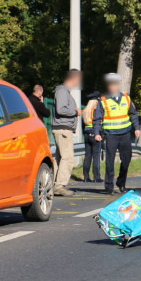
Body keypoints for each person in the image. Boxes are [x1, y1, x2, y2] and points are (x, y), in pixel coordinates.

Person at [93, 73, 141, 195]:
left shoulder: (126, 97)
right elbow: (97, 118)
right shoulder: (102, 100)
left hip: (125, 134)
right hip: (110, 135)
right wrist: (97, 132)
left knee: (126, 159)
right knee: (109, 162)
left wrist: (137, 127)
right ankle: (109, 187)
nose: (113, 86)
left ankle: (121, 183)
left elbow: (133, 114)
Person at [52, 69, 83, 197]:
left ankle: (54, 184)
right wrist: (75, 112)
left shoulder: (63, 91)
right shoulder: (62, 91)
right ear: (74, 78)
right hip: (63, 128)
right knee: (68, 158)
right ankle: (60, 186)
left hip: (62, 127)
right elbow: (61, 109)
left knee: (60, 158)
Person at [82, 92, 103, 183]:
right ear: (95, 100)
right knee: (96, 156)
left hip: (86, 133)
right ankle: (96, 177)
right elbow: (98, 122)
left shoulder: (85, 110)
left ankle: (86, 177)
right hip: (95, 133)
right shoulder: (95, 110)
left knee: (87, 156)